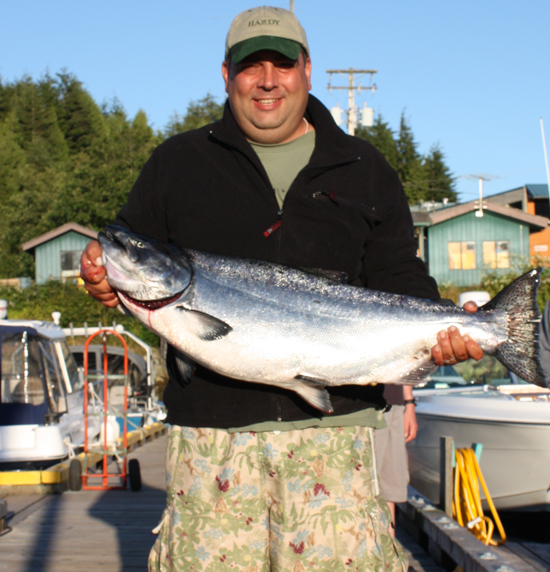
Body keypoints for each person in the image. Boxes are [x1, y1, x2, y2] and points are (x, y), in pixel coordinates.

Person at [80, 7, 482, 571]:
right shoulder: (177, 163)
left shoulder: (364, 167)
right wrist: (102, 275)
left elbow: (400, 277)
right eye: (251, 66)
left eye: (282, 63)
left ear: (308, 70)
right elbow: (125, 250)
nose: (267, 80)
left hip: (336, 438)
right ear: (226, 75)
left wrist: (447, 331)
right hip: (210, 443)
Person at [374, 385, 417, 537]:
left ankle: (389, 554)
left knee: (389, 489)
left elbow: (405, 364)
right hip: (367, 405)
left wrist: (409, 403)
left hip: (395, 404)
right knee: (368, 487)